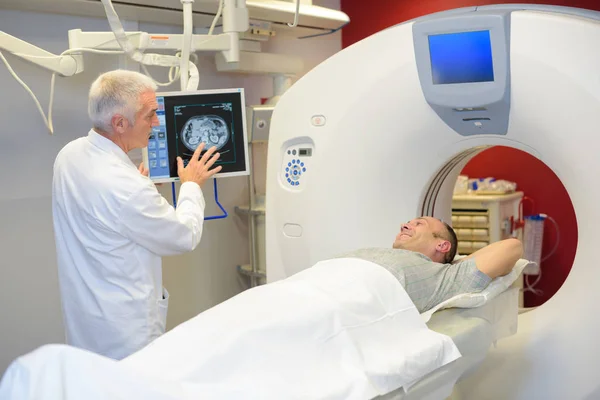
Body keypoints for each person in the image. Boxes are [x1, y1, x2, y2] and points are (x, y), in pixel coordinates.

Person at [51, 69, 222, 360]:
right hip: (125, 335)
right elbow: (183, 236)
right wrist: (191, 185)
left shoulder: (70, 154)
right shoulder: (127, 189)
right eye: (150, 115)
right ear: (119, 123)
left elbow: (106, 210)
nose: (156, 123)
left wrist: (139, 186)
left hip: (88, 319)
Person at [335, 216, 523, 313]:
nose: (404, 225)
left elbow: (512, 247)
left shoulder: (440, 277)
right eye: (409, 222)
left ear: (441, 245)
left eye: (419, 224)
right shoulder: (376, 251)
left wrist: (452, 264)